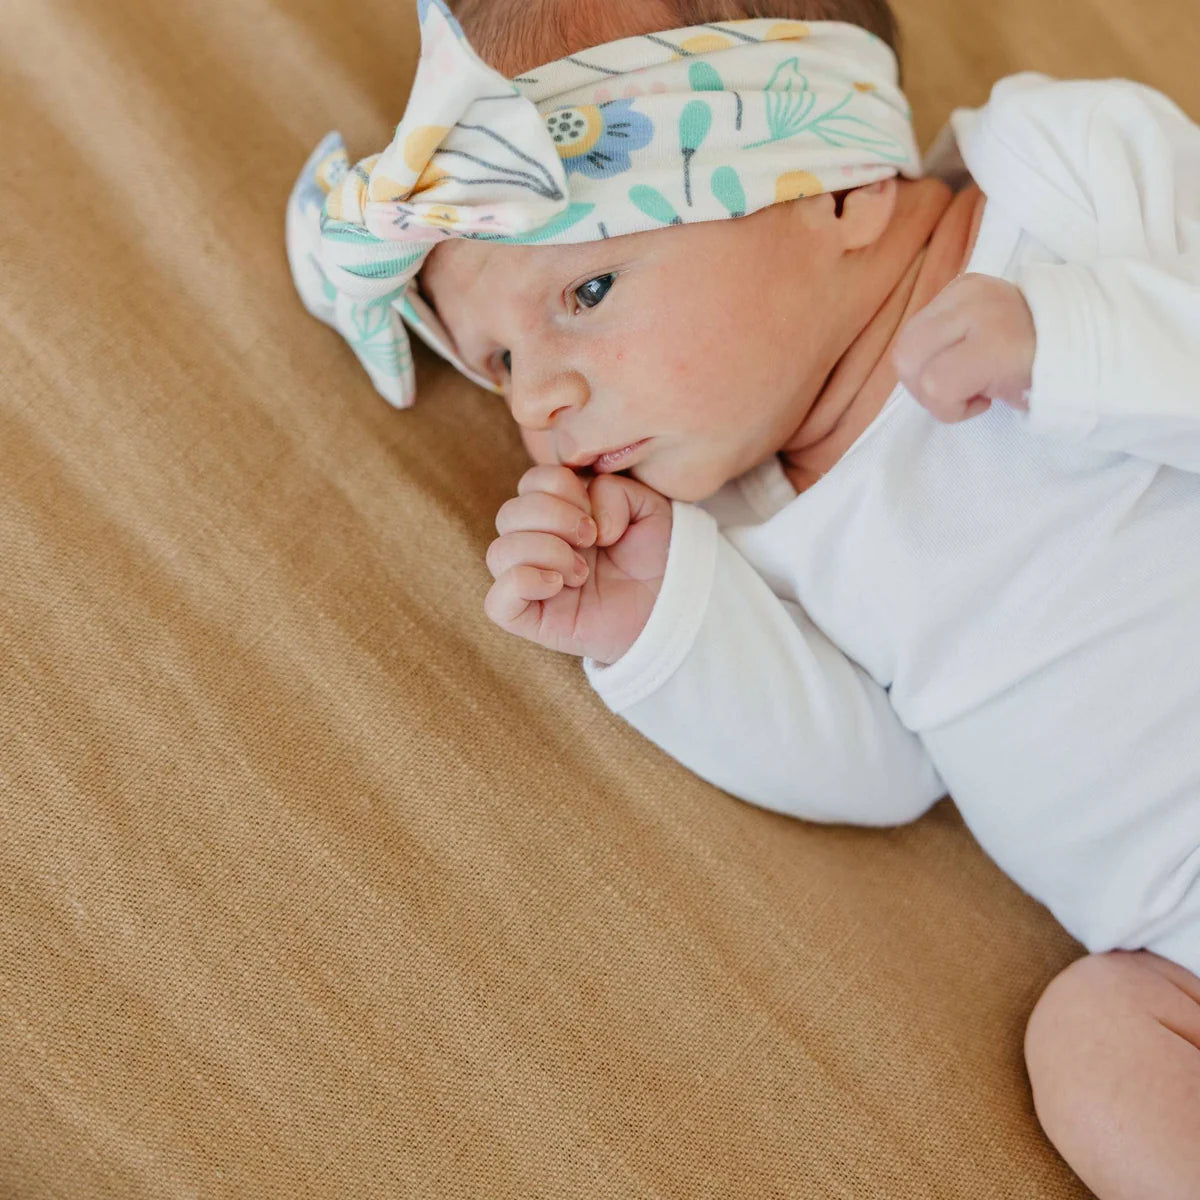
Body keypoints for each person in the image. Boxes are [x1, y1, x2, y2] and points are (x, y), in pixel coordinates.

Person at [285, 1, 1200, 1194]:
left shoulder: (1061, 176)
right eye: (499, 363)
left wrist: (1068, 343)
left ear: (839, 191)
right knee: (1089, 1044)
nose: (538, 403)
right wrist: (662, 624)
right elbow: (887, 775)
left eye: (588, 290)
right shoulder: (743, 529)